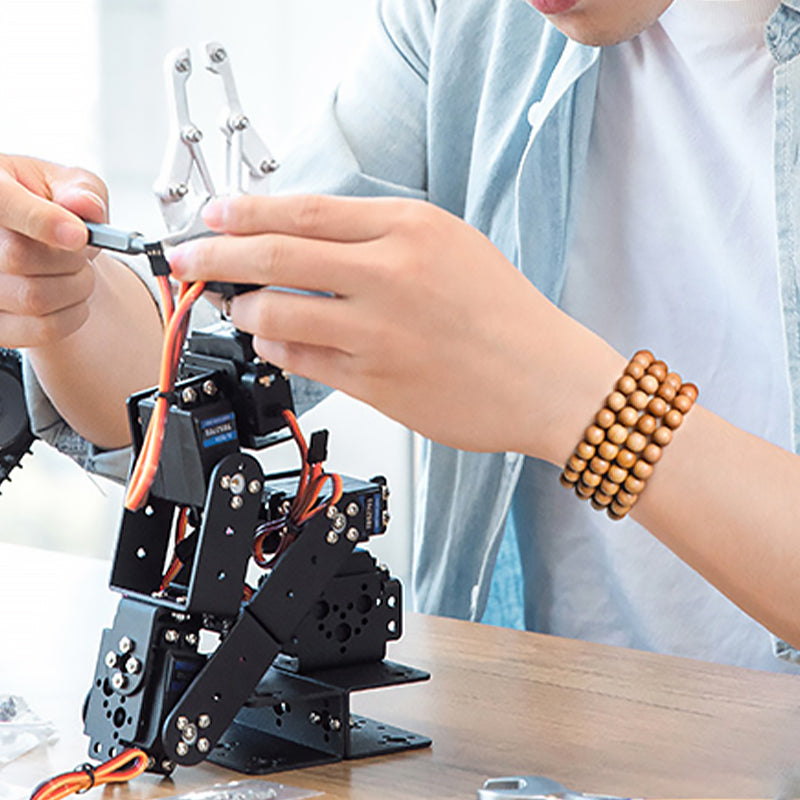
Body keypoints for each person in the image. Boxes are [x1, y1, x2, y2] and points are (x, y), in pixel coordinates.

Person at [2, 0, 800, 672]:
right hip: (532, 747)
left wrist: (571, 399)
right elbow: (199, 358)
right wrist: (61, 299)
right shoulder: (466, 19)